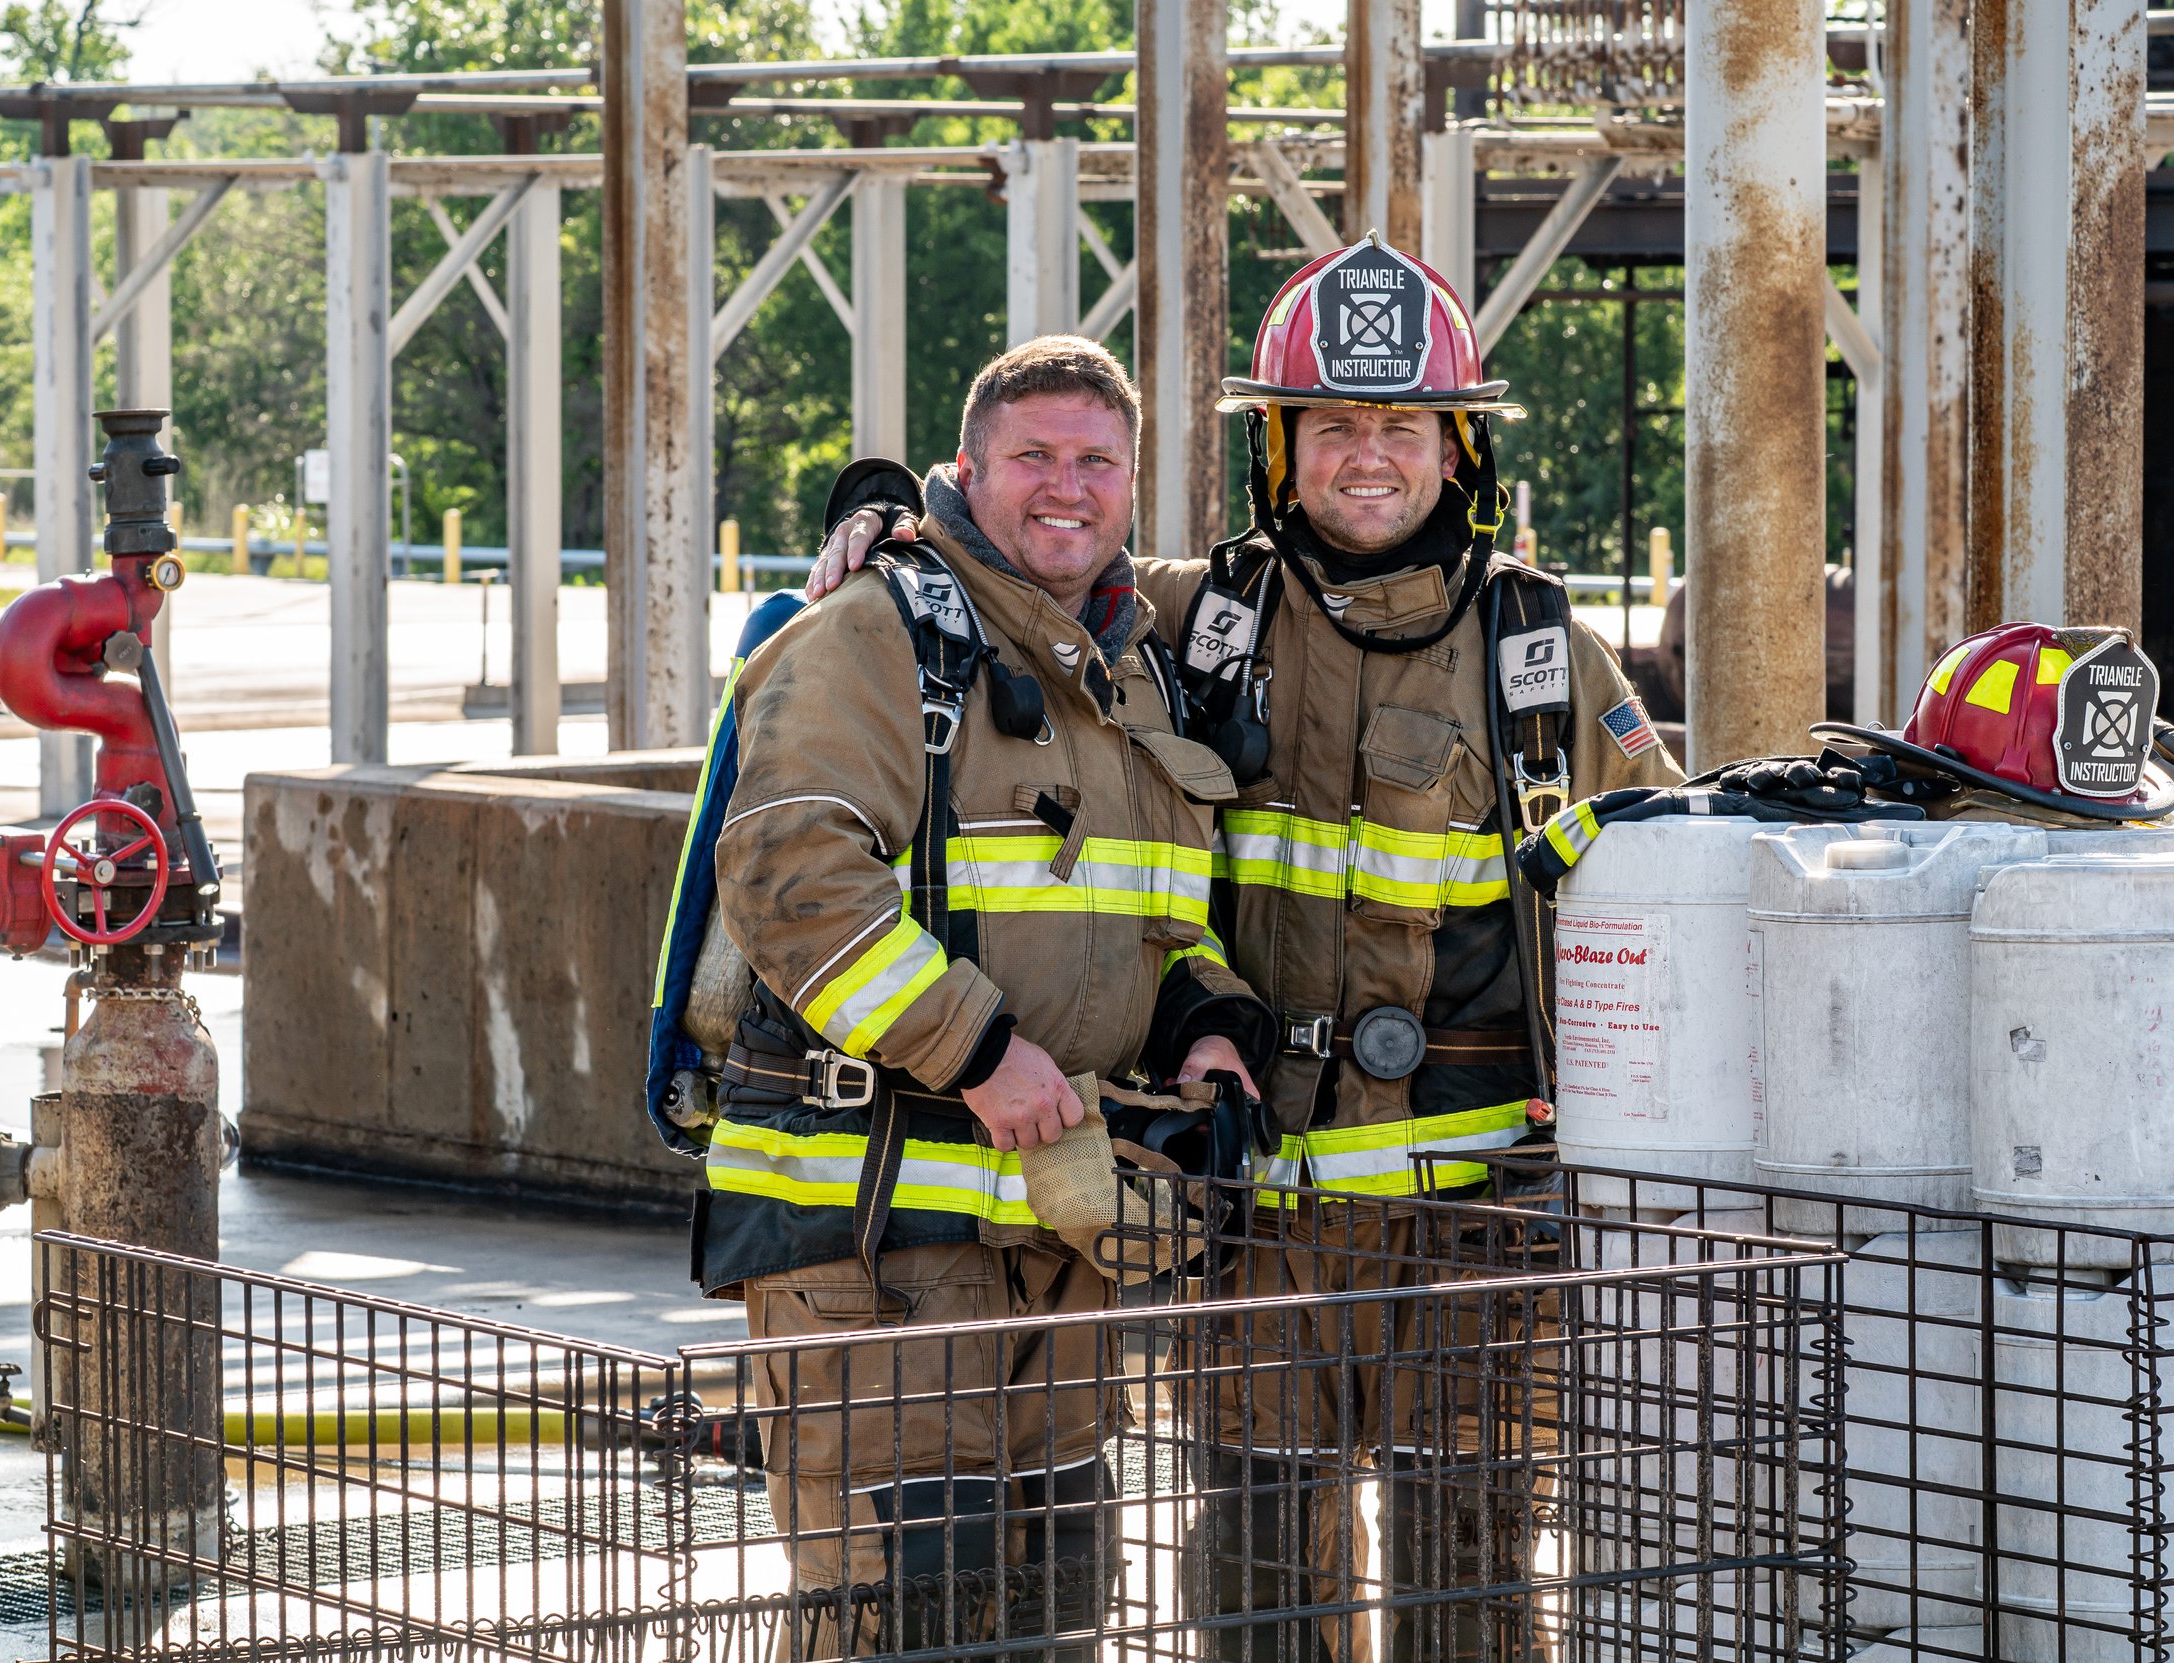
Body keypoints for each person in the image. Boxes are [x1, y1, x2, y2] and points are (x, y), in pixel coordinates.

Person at [811, 234, 1683, 1659]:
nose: (1366, 456)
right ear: (1279, 451)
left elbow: (1666, 898)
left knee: (1474, 1576)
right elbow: (1029, 555)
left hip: (1479, 1230)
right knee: (1259, 1574)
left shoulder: (1543, 657)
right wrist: (892, 519)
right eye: (1330, 422)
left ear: (1455, 450)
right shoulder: (1190, 622)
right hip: (1249, 1223)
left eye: (1400, 422)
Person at [699, 335, 1273, 1657]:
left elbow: (1155, 923)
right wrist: (977, 1050)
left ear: (1131, 489)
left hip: (1060, 1258)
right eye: (1033, 457)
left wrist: (1210, 1032)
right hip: (881, 1258)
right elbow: (791, 870)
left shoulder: (1123, 672)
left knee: (1055, 1619)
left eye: (1096, 462)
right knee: (904, 1628)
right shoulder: (880, 631)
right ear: (969, 470)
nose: (1064, 487)